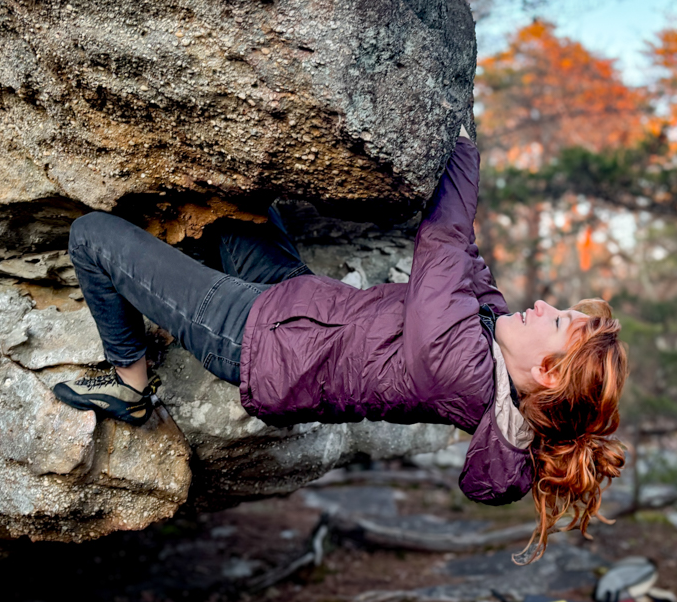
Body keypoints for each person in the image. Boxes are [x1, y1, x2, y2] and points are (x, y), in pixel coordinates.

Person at [53, 128, 628, 563]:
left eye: (556, 322)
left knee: (92, 238)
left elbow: (445, 242)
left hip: (255, 339)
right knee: (233, 201)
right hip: (296, 303)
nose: (546, 306)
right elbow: (471, 268)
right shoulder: (494, 350)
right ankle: (174, 279)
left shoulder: (459, 368)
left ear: (548, 372)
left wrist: (462, 146)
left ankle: (128, 383)